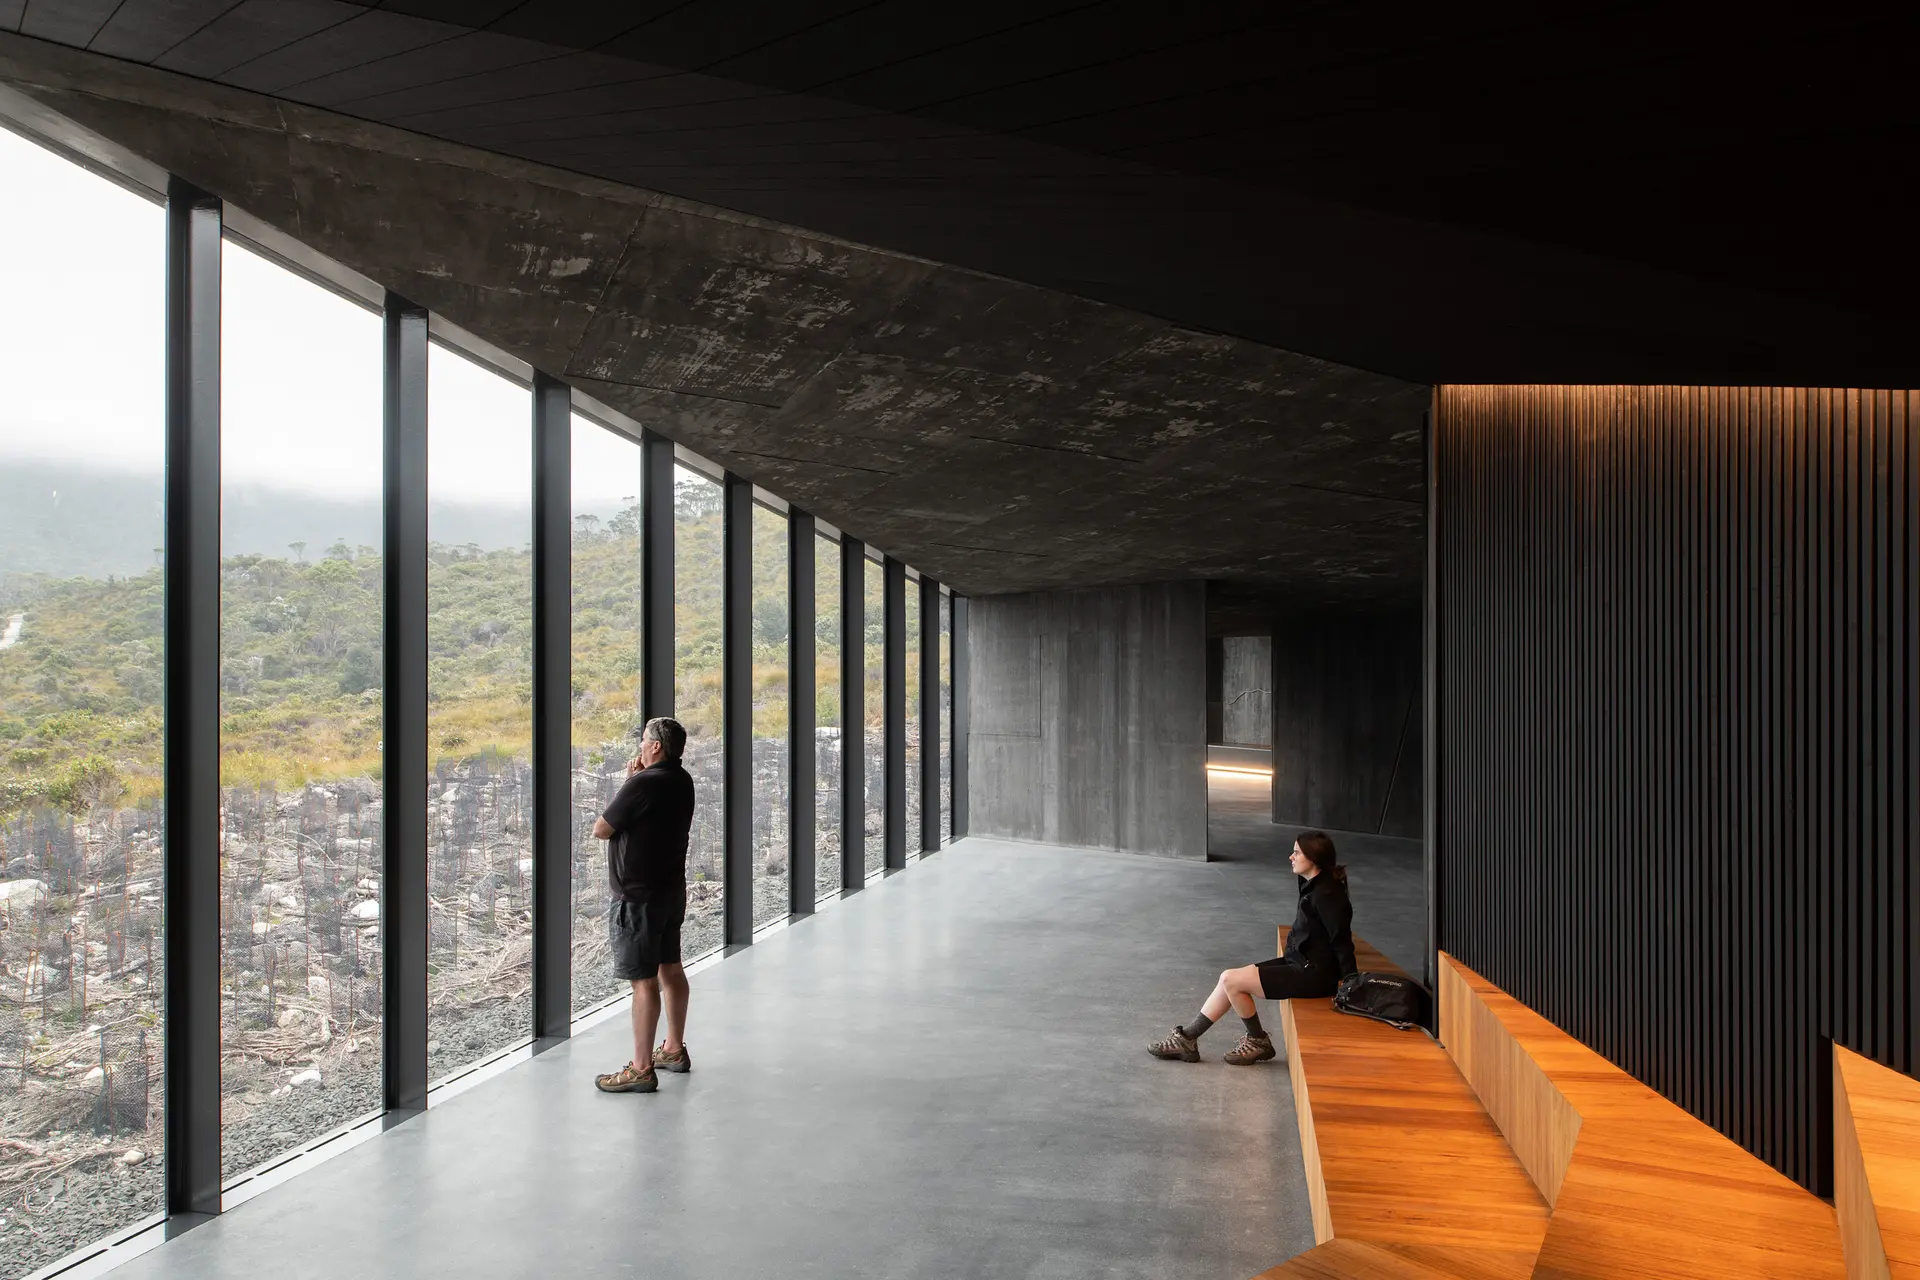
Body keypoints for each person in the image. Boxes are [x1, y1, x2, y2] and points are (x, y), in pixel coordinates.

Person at [1148, 830, 1356, 1066]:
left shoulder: (1328, 895)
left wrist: (1351, 980)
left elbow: (1341, 940)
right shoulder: (1314, 886)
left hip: (1313, 975)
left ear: (1314, 858)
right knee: (1227, 979)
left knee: (1232, 981)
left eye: (1297, 853)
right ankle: (1187, 1039)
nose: (1291, 857)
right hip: (1299, 962)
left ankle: (1258, 1040)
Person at [591, 717, 697, 1094]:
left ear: (655, 746)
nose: (639, 746)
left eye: (643, 740)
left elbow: (602, 828)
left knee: (643, 981)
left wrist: (631, 781)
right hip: (670, 892)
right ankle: (673, 1048)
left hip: (637, 898)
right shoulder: (682, 780)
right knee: (671, 968)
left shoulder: (643, 783)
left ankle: (640, 1069)